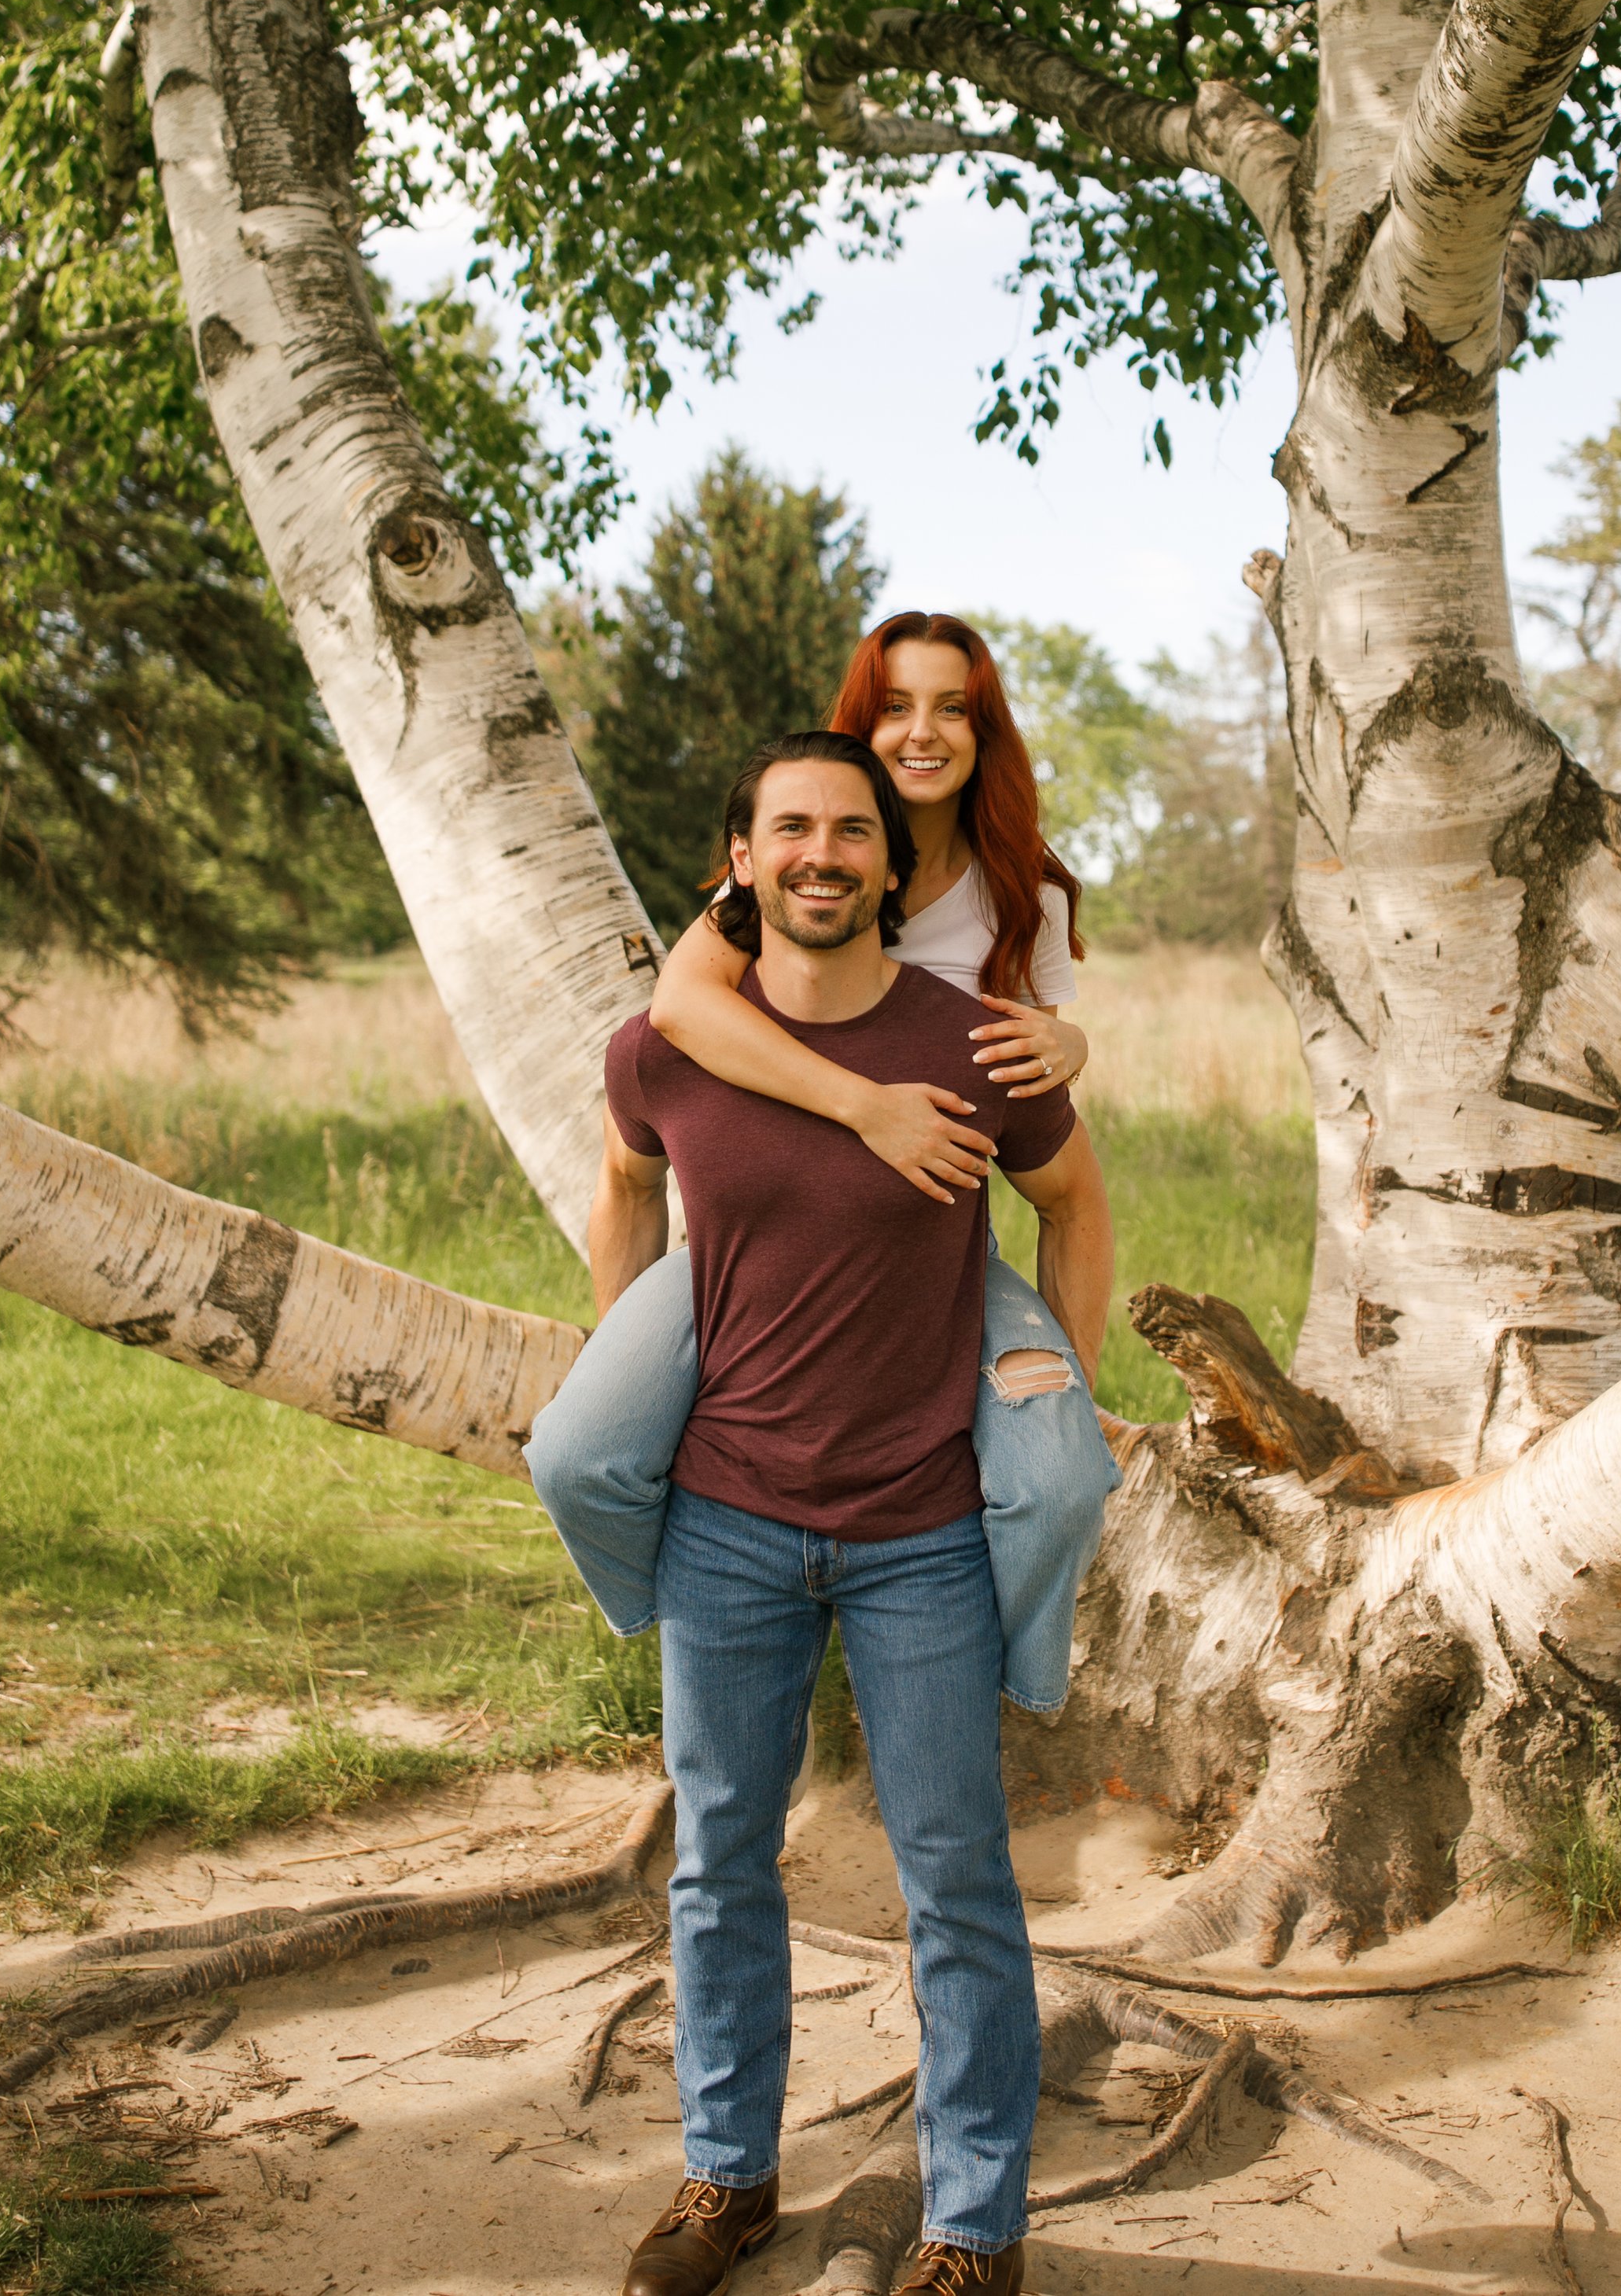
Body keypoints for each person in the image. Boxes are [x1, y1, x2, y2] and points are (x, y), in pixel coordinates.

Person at [559, 731, 1114, 2296]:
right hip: (724, 1522)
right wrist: (632, 1353)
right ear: (736, 862)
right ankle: (724, 2181)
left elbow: (1070, 1203)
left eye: (851, 833)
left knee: (955, 1871)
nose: (820, 855)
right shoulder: (664, 1046)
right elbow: (623, 1180)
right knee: (721, 1852)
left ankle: (972, 2228)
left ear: (889, 865)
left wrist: (1050, 1373)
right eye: (788, 829)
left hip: (922, 1528)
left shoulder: (973, 1045)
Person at [526, 613, 1122, 1716]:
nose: (923, 730)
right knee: (579, 1450)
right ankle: (689, 1599)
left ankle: (1012, 1678)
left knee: (1055, 1477)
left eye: (954, 708)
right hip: (753, 1239)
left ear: (988, 733)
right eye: (897, 705)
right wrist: (864, 1108)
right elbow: (681, 1006)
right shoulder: (800, 864)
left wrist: (1057, 1389)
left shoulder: (1021, 894)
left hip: (932, 1248)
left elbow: (1037, 1090)